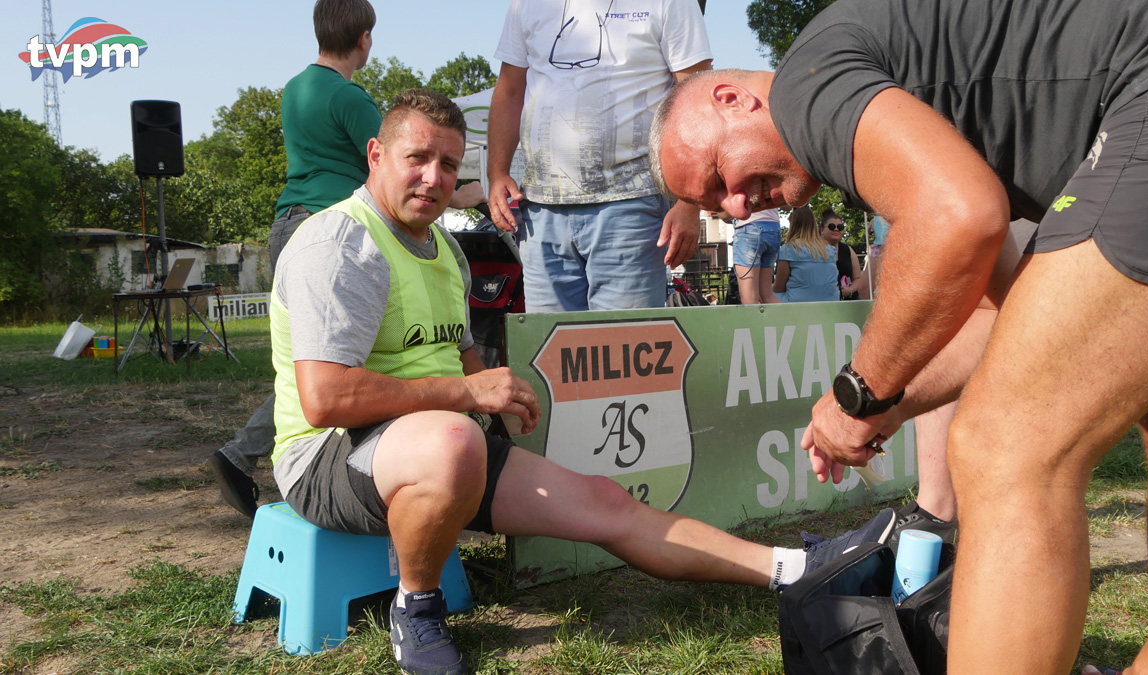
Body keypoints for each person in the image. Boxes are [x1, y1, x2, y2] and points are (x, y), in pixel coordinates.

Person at [647, 0, 1148, 671]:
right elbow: (1011, 316)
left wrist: (857, 393)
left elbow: (959, 213)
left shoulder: (805, 87)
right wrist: (890, 402)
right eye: (712, 206)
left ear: (733, 99)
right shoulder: (888, 95)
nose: (736, 207)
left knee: (1004, 444)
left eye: (718, 179)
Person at [271, 88, 898, 675]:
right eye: (417, 159)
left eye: (449, 164)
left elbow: (460, 359)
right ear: (376, 155)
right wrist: (467, 396)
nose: (434, 178)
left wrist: (492, 395)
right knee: (454, 440)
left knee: (609, 503)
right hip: (327, 458)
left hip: (436, 448)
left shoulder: (445, 250)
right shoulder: (340, 242)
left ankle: (797, 566)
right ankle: (416, 607)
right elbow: (327, 398)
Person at [208, 0, 484, 519]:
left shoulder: (295, 89)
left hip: (288, 219)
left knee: (311, 354)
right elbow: (400, 159)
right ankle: (337, 459)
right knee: (337, 363)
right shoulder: (349, 96)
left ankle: (245, 449)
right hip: (341, 231)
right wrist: (462, 191)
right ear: (364, 40)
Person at [484, 0, 711, 312]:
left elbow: (697, 95)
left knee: (622, 341)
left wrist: (690, 201)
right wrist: (497, 173)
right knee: (550, 342)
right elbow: (510, 91)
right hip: (541, 211)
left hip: (632, 206)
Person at [773, 206, 837, 303]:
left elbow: (779, 288)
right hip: (831, 304)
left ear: (793, 225)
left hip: (797, 305)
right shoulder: (830, 250)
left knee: (763, 293)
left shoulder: (789, 249)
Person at [731, 208, 783, 305]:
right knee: (767, 296)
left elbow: (725, 213)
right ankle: (792, 315)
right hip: (773, 229)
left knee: (749, 299)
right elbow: (787, 206)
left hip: (749, 228)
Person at [819, 209, 864, 301]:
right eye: (831, 226)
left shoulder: (848, 250)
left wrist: (850, 290)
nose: (836, 229)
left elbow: (858, 278)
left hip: (848, 301)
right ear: (822, 229)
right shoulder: (813, 251)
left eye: (840, 227)